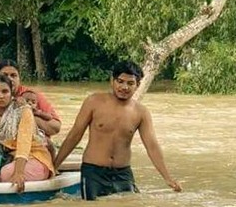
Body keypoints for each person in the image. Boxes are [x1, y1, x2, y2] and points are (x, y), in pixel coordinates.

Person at [53, 61, 182, 200]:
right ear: (112, 81)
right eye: (120, 81)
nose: (124, 87)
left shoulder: (141, 112)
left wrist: (168, 178)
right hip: (93, 172)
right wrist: (54, 166)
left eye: (130, 83)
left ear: (138, 85)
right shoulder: (94, 102)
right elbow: (74, 135)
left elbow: (152, 146)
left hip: (123, 173)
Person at [0, 60, 61, 137]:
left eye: (13, 75)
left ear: (19, 77)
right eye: (4, 75)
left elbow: (56, 127)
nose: (10, 79)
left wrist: (27, 115)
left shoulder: (32, 96)